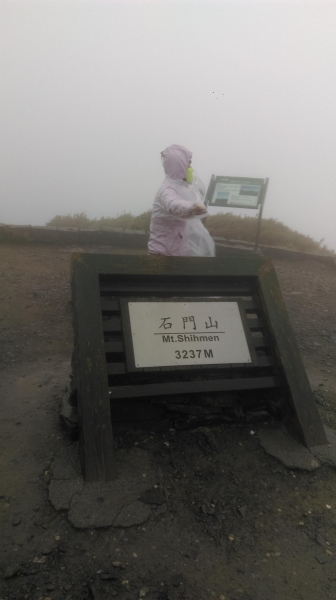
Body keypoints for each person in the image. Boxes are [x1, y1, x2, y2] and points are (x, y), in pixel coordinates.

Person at [148, 144, 215, 257]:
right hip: (161, 254)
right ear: (179, 166)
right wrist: (191, 208)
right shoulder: (167, 189)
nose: (190, 168)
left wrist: (193, 184)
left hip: (177, 253)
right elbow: (173, 205)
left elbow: (199, 194)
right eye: (188, 164)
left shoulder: (181, 187)